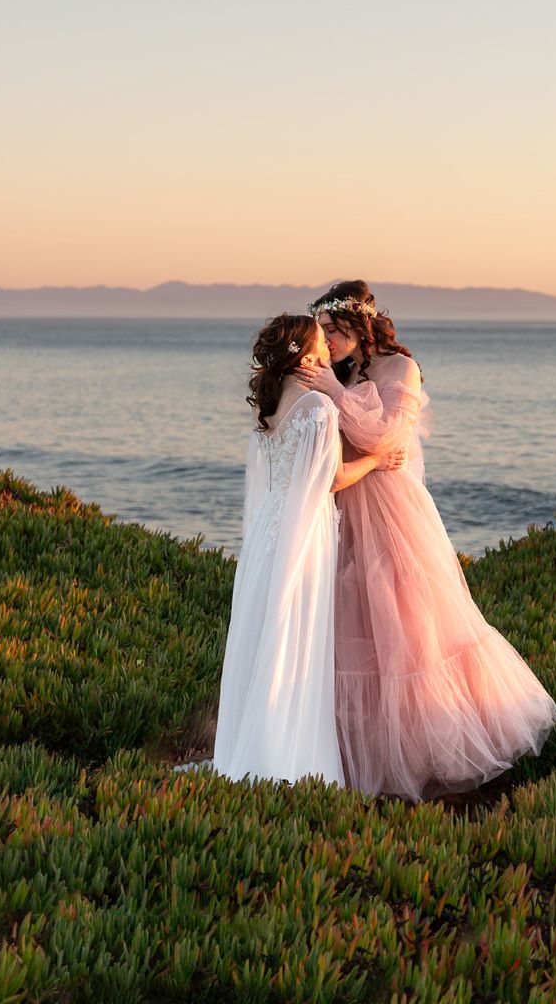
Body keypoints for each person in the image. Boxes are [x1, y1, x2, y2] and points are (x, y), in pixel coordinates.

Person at [295, 281, 556, 800]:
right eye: (321, 331)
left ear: (361, 325)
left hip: (395, 514)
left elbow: (390, 437)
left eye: (333, 329)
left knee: (412, 628)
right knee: (357, 628)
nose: (325, 340)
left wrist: (331, 388)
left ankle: (435, 754)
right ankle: (358, 757)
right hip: (348, 511)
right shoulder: (337, 372)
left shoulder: (400, 368)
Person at [175, 313, 405, 787]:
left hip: (268, 531)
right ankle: (285, 757)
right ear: (304, 352)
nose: (327, 349)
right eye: (321, 341)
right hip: (305, 532)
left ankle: (251, 745)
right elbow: (334, 480)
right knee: (296, 636)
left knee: (266, 633)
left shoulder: (271, 403)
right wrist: (379, 459)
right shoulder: (319, 408)